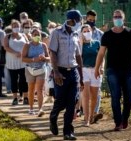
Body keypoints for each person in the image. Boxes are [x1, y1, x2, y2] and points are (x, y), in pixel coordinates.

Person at [94, 9, 131, 131]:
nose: (117, 19)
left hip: (127, 69)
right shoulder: (107, 35)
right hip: (112, 70)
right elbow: (101, 53)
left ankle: (125, 118)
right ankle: (118, 122)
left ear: (124, 18)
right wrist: (97, 68)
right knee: (115, 96)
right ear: (112, 19)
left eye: (119, 16)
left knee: (129, 98)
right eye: (115, 17)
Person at [49, 10, 83, 140]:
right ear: (72, 21)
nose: (80, 24)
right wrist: (56, 71)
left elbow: (78, 56)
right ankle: (53, 117)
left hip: (73, 72)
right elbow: (52, 53)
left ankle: (68, 132)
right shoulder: (56, 33)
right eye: (78, 21)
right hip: (60, 72)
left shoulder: (75, 34)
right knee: (61, 101)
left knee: (71, 103)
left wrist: (81, 76)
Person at [22, 28, 50, 116]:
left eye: (38, 34)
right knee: (31, 89)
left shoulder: (43, 45)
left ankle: (40, 109)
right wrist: (34, 59)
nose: (37, 36)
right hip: (30, 70)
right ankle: (31, 108)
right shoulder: (27, 45)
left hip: (41, 69)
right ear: (31, 35)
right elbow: (23, 58)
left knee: (40, 89)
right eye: (35, 34)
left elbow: (49, 58)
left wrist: (44, 58)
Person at [79, 24, 103, 126]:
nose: (86, 33)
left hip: (95, 70)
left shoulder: (97, 43)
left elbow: (102, 56)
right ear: (81, 33)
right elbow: (78, 56)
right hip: (84, 70)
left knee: (94, 96)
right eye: (84, 31)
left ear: (92, 31)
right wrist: (80, 41)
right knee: (86, 95)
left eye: (88, 30)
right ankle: (86, 119)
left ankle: (92, 115)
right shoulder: (80, 45)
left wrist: (101, 67)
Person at [3, 19, 29, 105]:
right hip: (12, 62)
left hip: (23, 61)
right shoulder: (7, 36)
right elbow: (5, 47)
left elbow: (28, 45)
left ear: (20, 26)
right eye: (14, 26)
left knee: (24, 80)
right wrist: (15, 52)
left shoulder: (23, 35)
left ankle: (25, 97)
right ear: (11, 27)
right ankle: (15, 98)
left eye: (17, 26)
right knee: (14, 80)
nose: (16, 28)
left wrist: (23, 53)